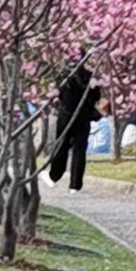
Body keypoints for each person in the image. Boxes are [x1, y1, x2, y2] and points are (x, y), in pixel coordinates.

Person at [46, 58, 102, 190]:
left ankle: (55, 175)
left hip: (66, 114)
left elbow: (59, 95)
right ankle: (75, 184)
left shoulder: (65, 75)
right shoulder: (90, 76)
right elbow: (96, 95)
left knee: (61, 146)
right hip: (84, 115)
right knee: (79, 149)